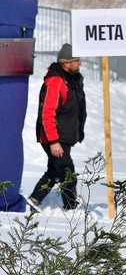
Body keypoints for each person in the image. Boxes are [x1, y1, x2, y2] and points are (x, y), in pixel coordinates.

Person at [28, 43, 86, 210]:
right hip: (54, 138)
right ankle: (71, 207)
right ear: (66, 63)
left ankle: (34, 200)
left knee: (54, 172)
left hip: (63, 137)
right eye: (77, 60)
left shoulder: (71, 80)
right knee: (68, 173)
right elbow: (47, 114)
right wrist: (53, 141)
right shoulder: (55, 82)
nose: (80, 63)